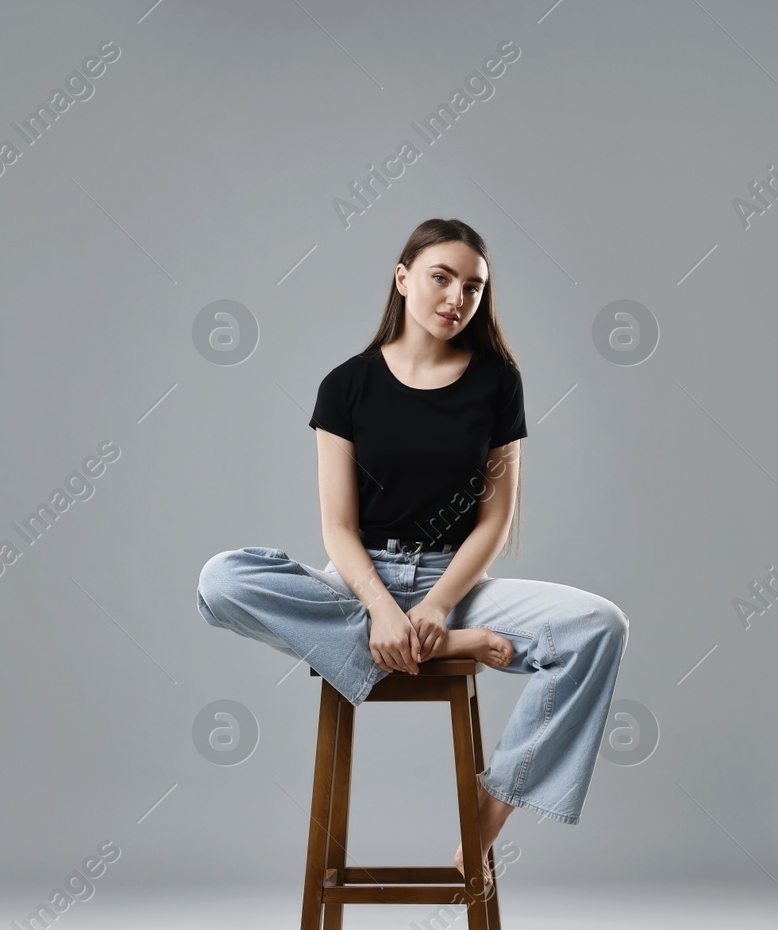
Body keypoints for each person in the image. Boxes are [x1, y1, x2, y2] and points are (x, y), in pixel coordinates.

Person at [196, 217, 629, 878]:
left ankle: (487, 814)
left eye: (474, 286)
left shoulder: (496, 383)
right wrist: (384, 608)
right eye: (442, 277)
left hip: (455, 587)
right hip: (359, 582)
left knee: (601, 626)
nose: (457, 297)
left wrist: (436, 607)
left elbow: (494, 522)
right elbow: (338, 529)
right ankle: (433, 646)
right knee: (221, 579)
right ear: (402, 279)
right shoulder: (346, 386)